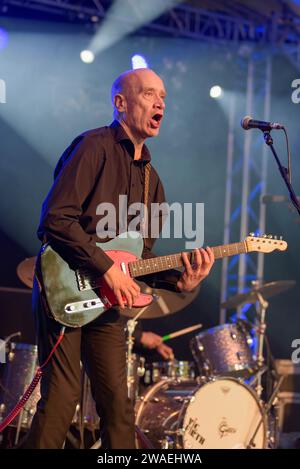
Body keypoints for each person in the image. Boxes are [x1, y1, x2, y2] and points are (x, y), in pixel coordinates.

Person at [25, 68, 214, 449]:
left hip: (108, 303)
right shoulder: (93, 147)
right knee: (62, 398)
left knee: (118, 406)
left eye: (163, 96)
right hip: (65, 287)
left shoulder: (152, 182)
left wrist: (180, 281)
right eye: (148, 94)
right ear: (121, 103)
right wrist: (107, 268)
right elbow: (55, 220)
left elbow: (140, 257)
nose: (160, 102)